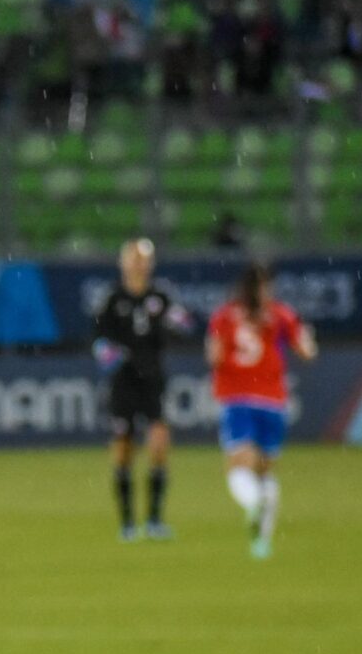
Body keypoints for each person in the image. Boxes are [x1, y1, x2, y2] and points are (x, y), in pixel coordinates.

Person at [207, 261, 315, 560]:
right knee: (265, 471)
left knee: (240, 467)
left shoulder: (224, 316)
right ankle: (261, 543)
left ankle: (252, 503)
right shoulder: (281, 314)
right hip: (272, 400)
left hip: (237, 398)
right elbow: (307, 352)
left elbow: (214, 357)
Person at [93, 238, 194, 542]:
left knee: (159, 445)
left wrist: (174, 323)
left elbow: (186, 324)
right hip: (124, 382)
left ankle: (154, 520)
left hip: (153, 380)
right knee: (123, 449)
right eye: (134, 258)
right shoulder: (112, 298)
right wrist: (112, 355)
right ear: (123, 263)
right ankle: (127, 522)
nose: (139, 264)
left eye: (144, 259)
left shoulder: (160, 296)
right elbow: (99, 342)